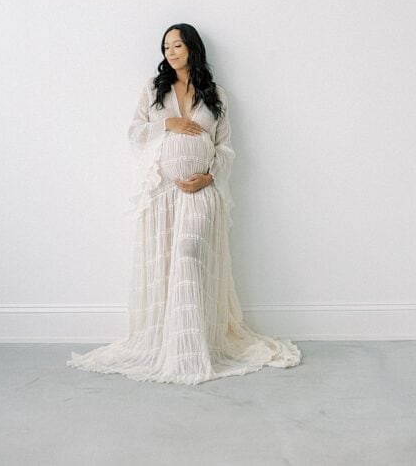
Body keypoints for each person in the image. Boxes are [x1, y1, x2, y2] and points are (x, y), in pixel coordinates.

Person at [68, 23, 300, 384]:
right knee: (166, 268)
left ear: (192, 48)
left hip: (202, 192)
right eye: (166, 47)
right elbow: (134, 134)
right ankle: (170, 345)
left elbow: (225, 147)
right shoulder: (153, 90)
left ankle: (195, 348)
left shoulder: (216, 94)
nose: (171, 52)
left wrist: (209, 176)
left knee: (190, 255)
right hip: (162, 194)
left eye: (177, 45)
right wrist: (169, 124)